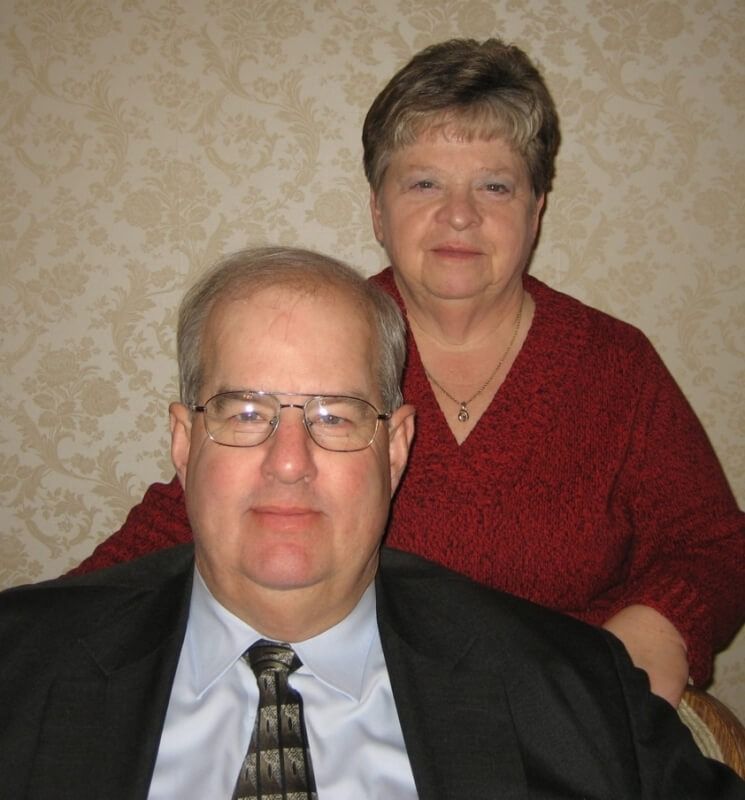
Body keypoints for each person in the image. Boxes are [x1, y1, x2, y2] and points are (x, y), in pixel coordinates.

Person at [71, 38, 745, 708]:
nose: (459, 214)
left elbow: (713, 544)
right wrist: (39, 633)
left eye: (495, 185)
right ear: (376, 209)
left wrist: (664, 621)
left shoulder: (613, 365)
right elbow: (196, 509)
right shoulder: (322, 345)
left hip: (554, 714)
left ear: (535, 211)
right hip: (356, 720)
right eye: (423, 182)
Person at [2, 246, 743, 799]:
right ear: (184, 442)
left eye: (335, 415)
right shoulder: (22, 668)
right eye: (246, 411)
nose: (288, 461)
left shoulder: (571, 693)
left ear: (395, 449)